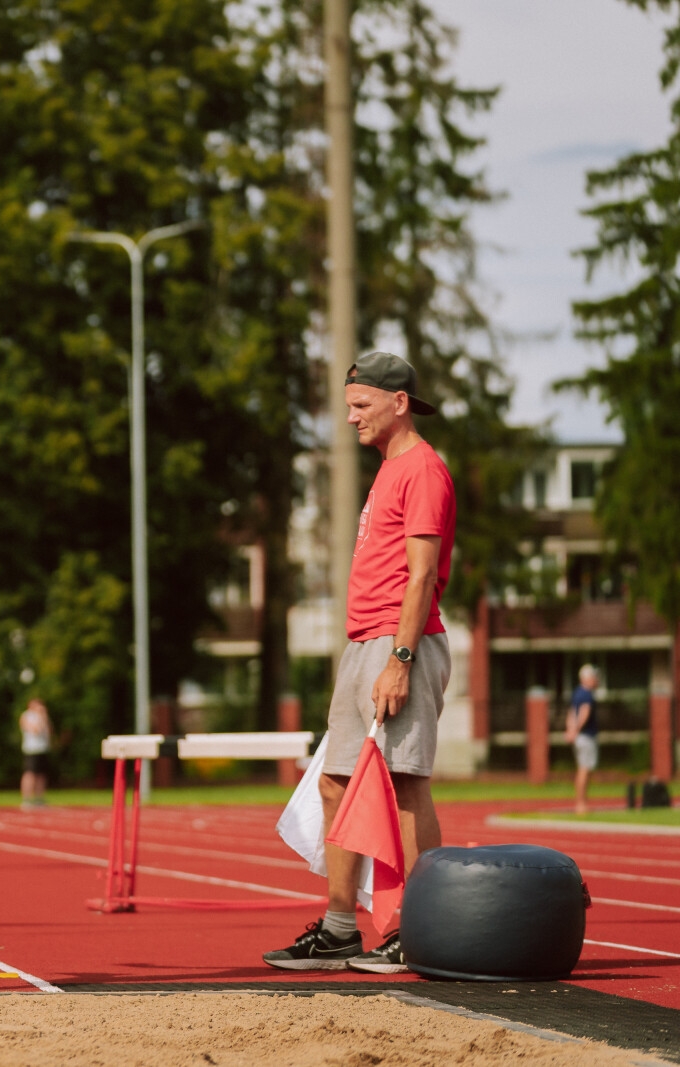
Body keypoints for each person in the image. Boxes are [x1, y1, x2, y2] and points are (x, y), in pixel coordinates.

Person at [264, 352, 455, 975]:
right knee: (335, 783)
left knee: (405, 784)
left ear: (398, 403)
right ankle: (341, 930)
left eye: (361, 405)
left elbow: (422, 575)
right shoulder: (387, 469)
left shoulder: (423, 469)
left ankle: (425, 927)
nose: (350, 418)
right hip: (362, 643)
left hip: (399, 644)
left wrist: (398, 659)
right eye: (348, 406)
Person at [566, 664, 600, 816]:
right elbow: (584, 714)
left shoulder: (577, 693)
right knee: (584, 770)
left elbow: (572, 714)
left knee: (582, 769)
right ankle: (581, 804)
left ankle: (581, 803)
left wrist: (571, 731)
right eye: (594, 676)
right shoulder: (586, 694)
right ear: (587, 678)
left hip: (580, 736)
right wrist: (576, 730)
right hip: (586, 736)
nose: (596, 679)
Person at [19, 698, 52, 811]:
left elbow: (49, 732)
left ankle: (39, 799)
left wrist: (44, 717)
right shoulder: (26, 716)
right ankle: (26, 800)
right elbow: (36, 730)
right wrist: (42, 717)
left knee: (41, 775)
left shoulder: (43, 717)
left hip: (42, 749)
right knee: (30, 774)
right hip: (31, 750)